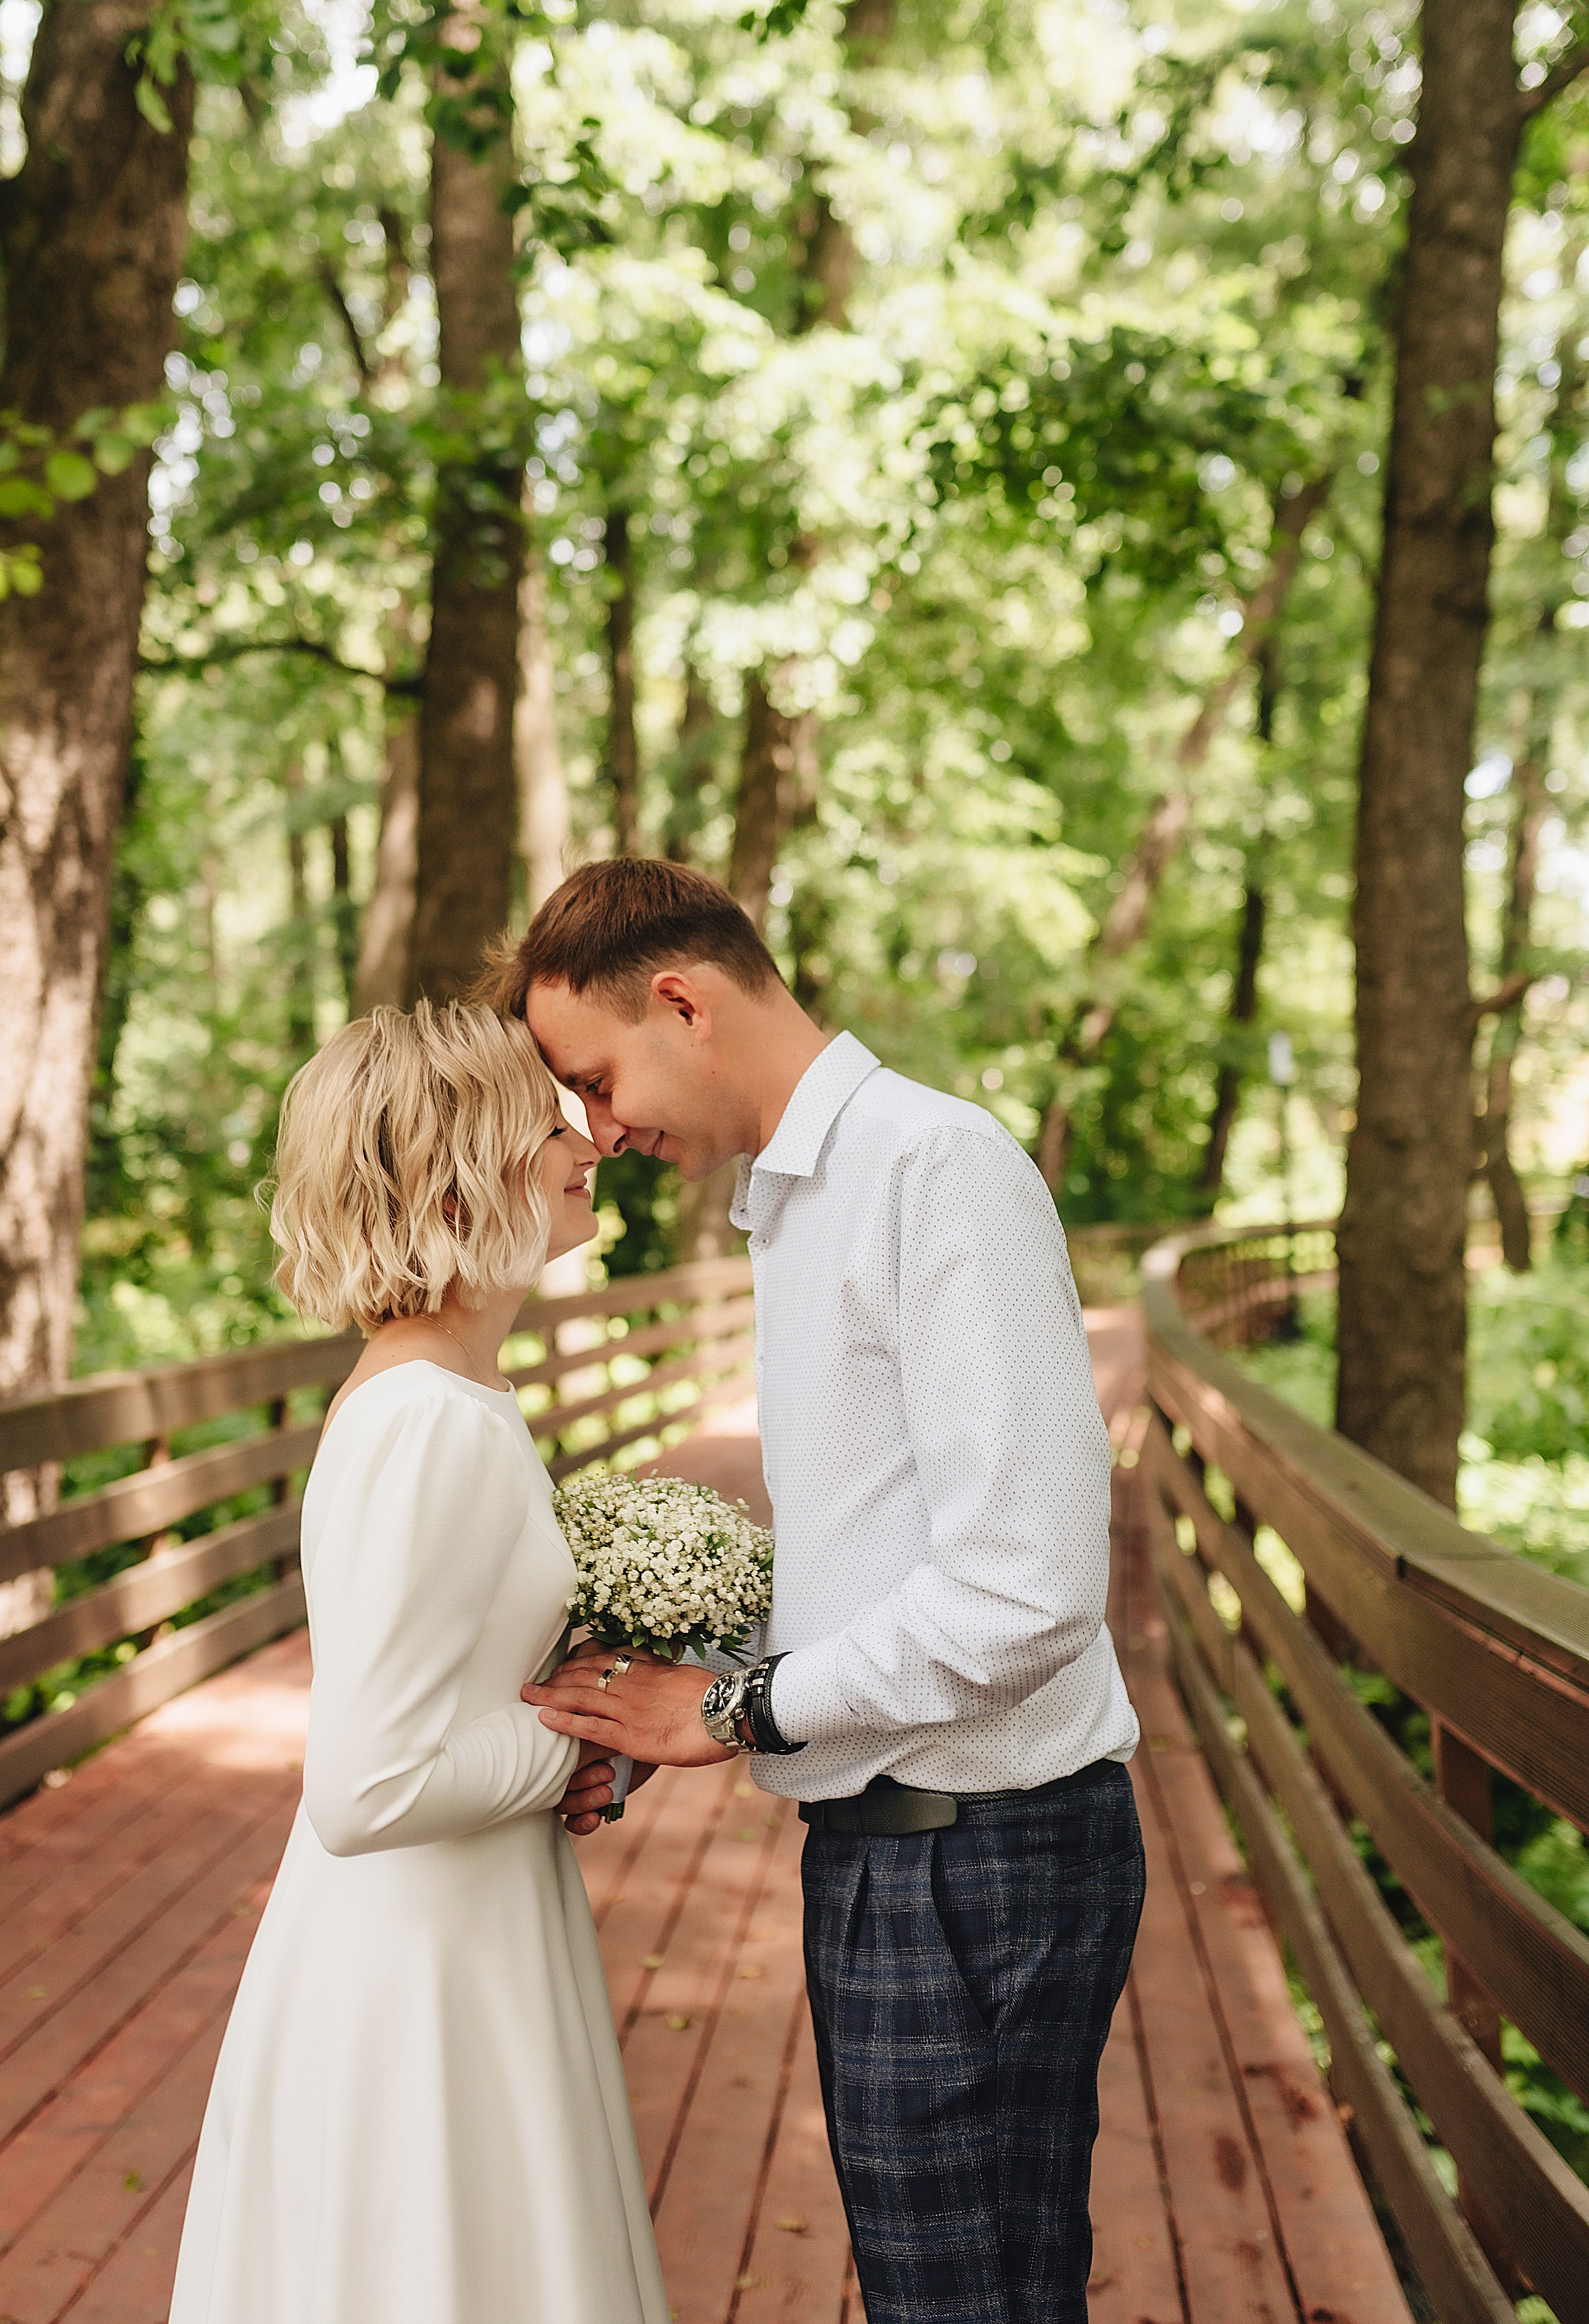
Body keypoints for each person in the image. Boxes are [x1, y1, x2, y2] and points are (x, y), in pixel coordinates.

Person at [508, 860, 1144, 2324]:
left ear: (683, 1002)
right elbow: (873, 1545)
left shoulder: (932, 1167)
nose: (600, 1130)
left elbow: (1029, 1588)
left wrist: (735, 1708)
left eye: (596, 1080)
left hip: (975, 1853)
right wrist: (672, 1689)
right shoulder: (794, 1199)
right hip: (885, 1841)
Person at [169, 1001, 669, 2324]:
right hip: (420, 1975)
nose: (588, 1143)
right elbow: (367, 1783)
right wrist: (582, 1730)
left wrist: (577, 1729)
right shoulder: (425, 1422)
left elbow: (455, 1696)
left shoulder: (459, 1396)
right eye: (547, 1123)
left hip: (475, 1926)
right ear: (457, 1184)